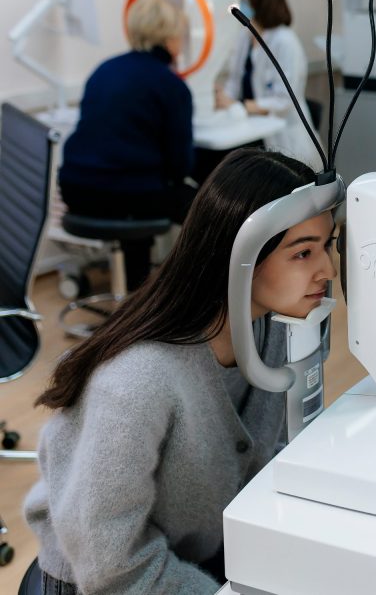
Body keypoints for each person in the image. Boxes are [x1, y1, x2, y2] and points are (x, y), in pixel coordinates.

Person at [26, 149, 337, 594]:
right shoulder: (138, 382)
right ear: (239, 258)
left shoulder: (278, 329)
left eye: (327, 245)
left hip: (199, 549)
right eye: (303, 253)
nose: (327, 269)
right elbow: (111, 567)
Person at [59, 0, 196, 290]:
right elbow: (180, 167)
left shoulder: (104, 69)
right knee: (207, 206)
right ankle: (194, 294)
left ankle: (138, 293)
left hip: (75, 190)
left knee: (137, 186)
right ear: (170, 38)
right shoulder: (171, 85)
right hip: (125, 196)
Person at [216, 0, 322, 171]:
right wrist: (222, 98)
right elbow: (234, 82)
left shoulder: (285, 41)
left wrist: (239, 105)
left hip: (284, 139)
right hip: (252, 132)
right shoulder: (245, 37)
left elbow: (282, 101)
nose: (239, 2)